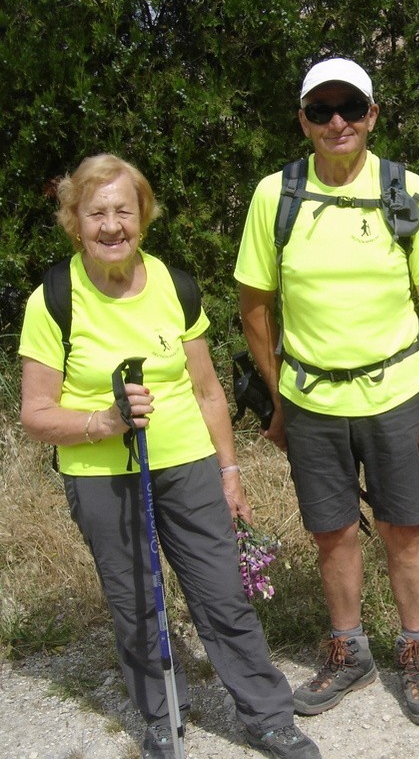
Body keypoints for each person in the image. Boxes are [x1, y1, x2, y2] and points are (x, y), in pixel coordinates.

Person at [18, 154, 319, 759]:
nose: (111, 226)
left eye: (123, 211)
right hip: (101, 470)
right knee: (135, 599)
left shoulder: (174, 286)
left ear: (143, 217)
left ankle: (267, 715)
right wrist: (102, 421)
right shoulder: (52, 298)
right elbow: (35, 413)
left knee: (221, 593)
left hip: (186, 464)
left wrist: (229, 471)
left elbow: (208, 390)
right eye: (96, 212)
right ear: (74, 220)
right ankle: (160, 715)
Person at [235, 58, 419, 726]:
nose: (337, 122)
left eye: (350, 108)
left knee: (404, 528)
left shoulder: (404, 189)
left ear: (373, 115)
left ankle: (414, 651)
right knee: (330, 532)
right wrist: (279, 399)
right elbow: (254, 307)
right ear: (302, 119)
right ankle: (348, 650)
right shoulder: (275, 195)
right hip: (311, 401)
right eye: (321, 110)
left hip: (395, 393)